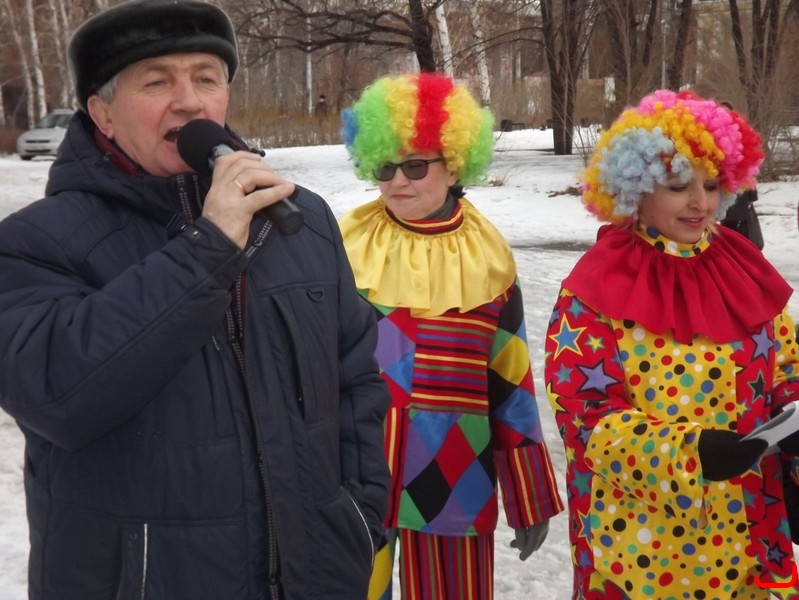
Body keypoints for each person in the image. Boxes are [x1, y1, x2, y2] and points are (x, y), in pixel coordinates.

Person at [0, 1, 390, 598]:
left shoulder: (301, 218)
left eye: (206, 78)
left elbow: (356, 377)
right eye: (156, 82)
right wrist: (208, 247)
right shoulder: (35, 242)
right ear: (102, 114)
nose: (189, 101)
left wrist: (358, 520)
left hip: (317, 575)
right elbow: (57, 395)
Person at [544, 89, 799, 599]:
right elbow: (585, 417)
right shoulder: (596, 283)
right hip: (639, 546)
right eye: (679, 186)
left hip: (748, 537)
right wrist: (685, 453)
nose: (701, 203)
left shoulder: (742, 265)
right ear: (635, 188)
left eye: (712, 184)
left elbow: (784, 370)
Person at [339, 72, 564, 600]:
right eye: (385, 167)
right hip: (357, 471)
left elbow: (510, 382)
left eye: (416, 165)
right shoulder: (345, 245)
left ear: (455, 163)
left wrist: (528, 494)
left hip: (455, 471)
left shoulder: (488, 257)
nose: (398, 181)